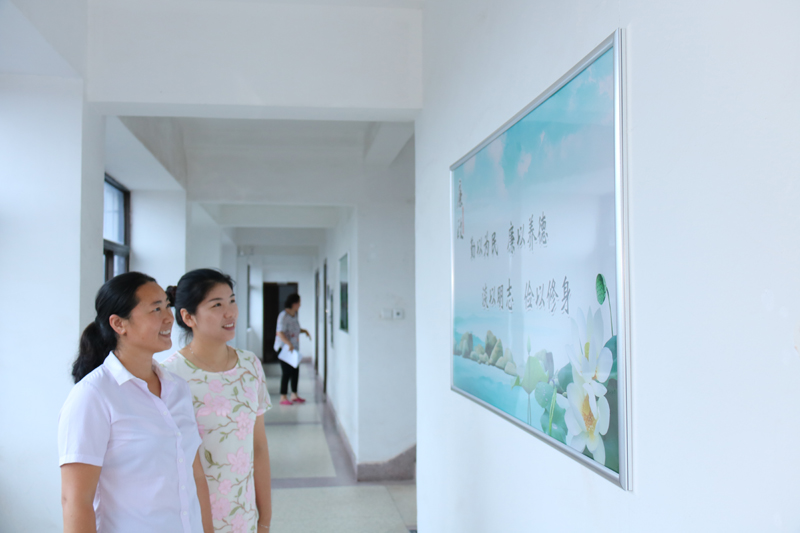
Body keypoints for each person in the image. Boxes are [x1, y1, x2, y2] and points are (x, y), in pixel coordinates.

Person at [59, 272, 214, 533]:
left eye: (167, 306)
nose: (169, 318)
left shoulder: (178, 389)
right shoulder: (93, 396)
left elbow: (195, 474)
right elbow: (76, 500)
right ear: (119, 324)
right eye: (155, 309)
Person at [161, 269, 273, 533]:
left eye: (232, 301)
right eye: (217, 305)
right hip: (190, 519)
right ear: (188, 317)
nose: (230, 312)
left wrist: (264, 520)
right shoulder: (169, 376)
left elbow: (258, 446)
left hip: (243, 516)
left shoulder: (249, 366)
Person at [274, 293, 311, 406]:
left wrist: (304, 331)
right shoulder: (283, 316)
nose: (300, 305)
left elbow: (295, 329)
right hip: (284, 348)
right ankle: (283, 397)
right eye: (299, 303)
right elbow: (280, 332)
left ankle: (294, 395)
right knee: (286, 372)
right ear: (294, 304)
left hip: (293, 349)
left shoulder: (294, 315)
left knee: (295, 371)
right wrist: (288, 343)